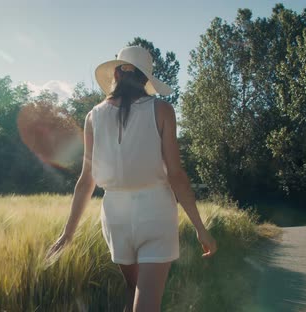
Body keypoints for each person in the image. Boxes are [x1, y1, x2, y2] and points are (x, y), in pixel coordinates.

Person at [45, 46, 217, 311]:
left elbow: (86, 180)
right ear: (146, 79)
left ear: (116, 73)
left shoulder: (93, 116)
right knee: (146, 302)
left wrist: (67, 234)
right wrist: (200, 227)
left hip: (115, 217)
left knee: (132, 292)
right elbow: (176, 175)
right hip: (155, 212)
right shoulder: (161, 110)